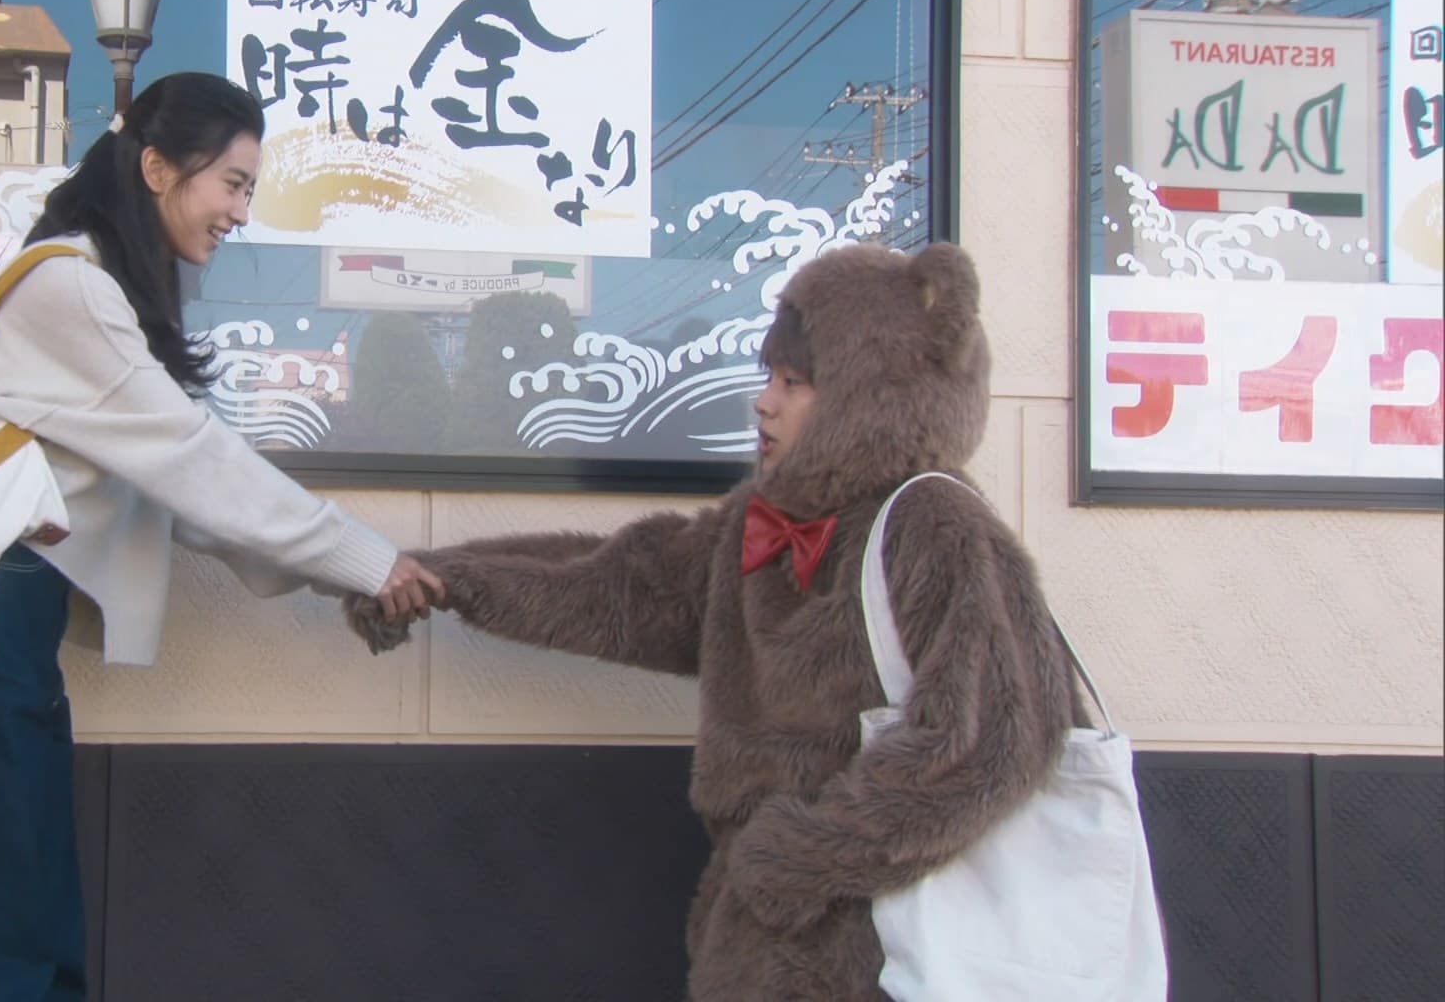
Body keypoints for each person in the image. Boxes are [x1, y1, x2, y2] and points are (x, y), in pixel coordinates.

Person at [346, 243, 1089, 999]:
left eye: (794, 383)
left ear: (875, 394)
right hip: (766, 932)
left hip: (893, 947)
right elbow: (617, 590)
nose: (764, 402)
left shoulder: (934, 523)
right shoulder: (759, 524)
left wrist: (802, 856)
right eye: (769, 376)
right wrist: (437, 576)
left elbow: (999, 737)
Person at [0, 71, 444, 1001]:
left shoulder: (99, 287)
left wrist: (344, 572)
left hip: (2, 618)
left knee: (30, 900)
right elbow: (195, 461)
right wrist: (366, 560)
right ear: (155, 168)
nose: (240, 212)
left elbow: (175, 493)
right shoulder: (72, 287)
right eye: (233, 183)